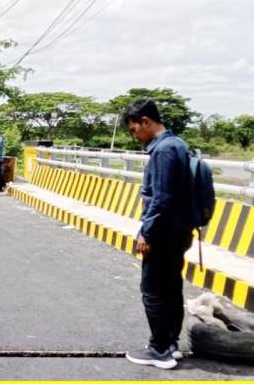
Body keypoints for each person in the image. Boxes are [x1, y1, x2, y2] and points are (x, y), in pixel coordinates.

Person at [123, 98, 193, 370]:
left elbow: (161, 199)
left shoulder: (163, 151)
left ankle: (159, 349)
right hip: (179, 230)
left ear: (145, 122)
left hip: (163, 233)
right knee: (171, 288)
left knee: (152, 290)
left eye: (133, 130)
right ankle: (171, 344)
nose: (135, 136)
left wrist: (146, 233)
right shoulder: (178, 145)